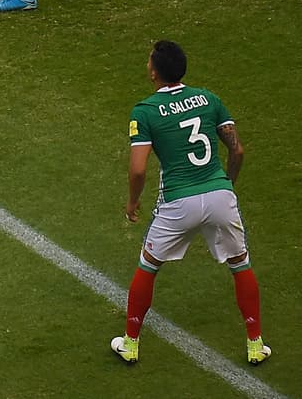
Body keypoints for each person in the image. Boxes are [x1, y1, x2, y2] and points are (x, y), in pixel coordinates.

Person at [111, 40, 270, 366]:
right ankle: (255, 344)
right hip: (219, 194)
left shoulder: (145, 111)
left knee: (149, 265)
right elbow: (237, 150)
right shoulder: (208, 99)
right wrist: (226, 187)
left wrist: (132, 203)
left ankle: (130, 343)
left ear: (154, 72)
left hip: (177, 203)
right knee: (240, 264)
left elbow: (138, 168)